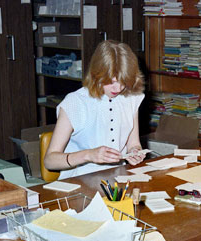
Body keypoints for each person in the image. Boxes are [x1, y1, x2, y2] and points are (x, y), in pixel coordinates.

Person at [44, 40, 146, 180]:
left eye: (123, 82)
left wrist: (135, 152)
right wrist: (89, 155)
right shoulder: (75, 102)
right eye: (111, 82)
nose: (118, 89)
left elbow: (133, 144)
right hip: (80, 179)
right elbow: (50, 161)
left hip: (119, 177)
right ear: (97, 74)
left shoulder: (130, 97)